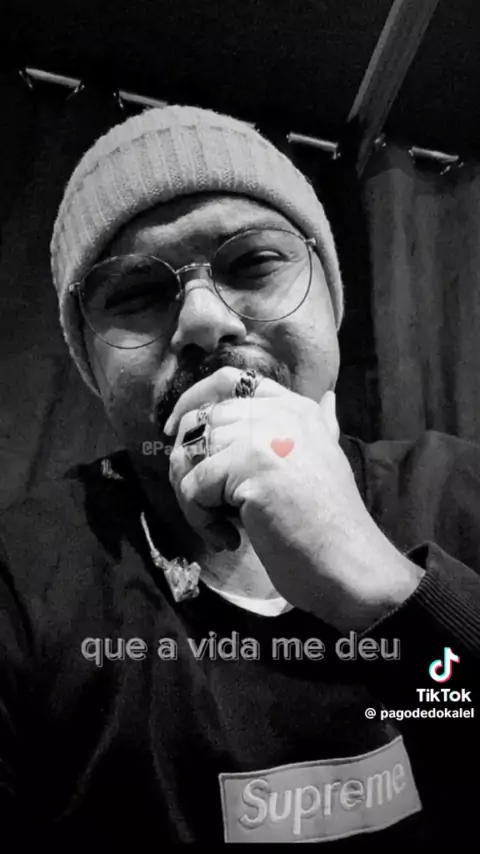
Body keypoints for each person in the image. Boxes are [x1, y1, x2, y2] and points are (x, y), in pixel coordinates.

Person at [0, 104, 479, 848]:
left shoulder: (463, 492)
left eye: (253, 262)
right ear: (91, 367)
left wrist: (390, 594)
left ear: (331, 299)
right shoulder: (21, 578)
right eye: (136, 294)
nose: (203, 320)